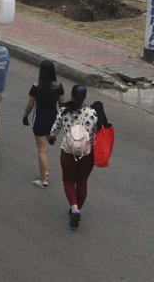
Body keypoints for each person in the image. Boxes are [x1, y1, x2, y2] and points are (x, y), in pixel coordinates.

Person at [49, 84, 99, 229]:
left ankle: (74, 207)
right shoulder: (92, 113)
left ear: (71, 95)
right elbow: (96, 132)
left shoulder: (64, 111)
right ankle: (76, 210)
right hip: (86, 154)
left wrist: (52, 137)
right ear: (85, 97)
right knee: (82, 182)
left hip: (68, 153)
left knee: (68, 181)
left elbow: (55, 129)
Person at [22, 60, 66, 188]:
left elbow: (30, 105)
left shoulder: (36, 86)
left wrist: (25, 116)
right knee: (45, 147)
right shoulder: (59, 86)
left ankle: (43, 180)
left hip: (39, 121)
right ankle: (43, 173)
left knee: (42, 151)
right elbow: (62, 105)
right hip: (53, 120)